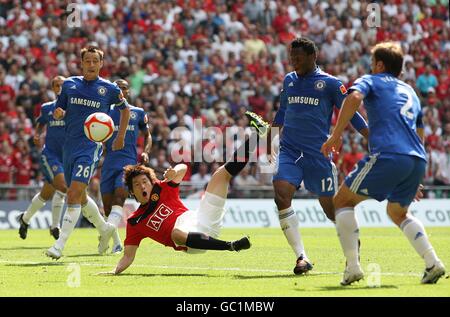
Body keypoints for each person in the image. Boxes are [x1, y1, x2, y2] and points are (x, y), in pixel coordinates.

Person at [321, 42, 446, 285]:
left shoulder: (372, 80)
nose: (370, 66)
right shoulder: (411, 92)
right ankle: (433, 262)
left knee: (342, 201)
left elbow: (353, 97)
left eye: (372, 63)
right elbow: (419, 130)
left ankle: (353, 267)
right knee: (397, 212)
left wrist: (336, 134)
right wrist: (415, 176)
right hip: (416, 159)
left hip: (388, 154)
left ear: (379, 64)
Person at [105, 111, 268, 275]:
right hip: (189, 241)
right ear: (132, 191)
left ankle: (257, 134)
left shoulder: (162, 188)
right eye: (137, 184)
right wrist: (114, 271)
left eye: (145, 182)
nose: (142, 186)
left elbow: (182, 168)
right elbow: (128, 256)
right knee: (176, 233)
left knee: (221, 174)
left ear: (151, 182)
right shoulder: (134, 222)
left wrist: (173, 172)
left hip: (201, 218)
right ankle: (231, 246)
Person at [271, 37, 369, 275]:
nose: (293, 62)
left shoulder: (330, 84)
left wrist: (371, 137)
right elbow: (283, 112)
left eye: (298, 57)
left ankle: (352, 245)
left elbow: (352, 114)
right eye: (291, 57)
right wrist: (267, 138)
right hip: (290, 150)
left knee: (330, 210)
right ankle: (301, 258)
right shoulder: (289, 80)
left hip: (318, 153)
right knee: (281, 195)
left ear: (312, 57)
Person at [46, 46, 131, 259]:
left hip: (90, 147)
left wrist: (119, 136)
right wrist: (58, 112)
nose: (91, 65)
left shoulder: (109, 89)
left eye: (95, 61)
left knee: (72, 194)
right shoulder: (69, 85)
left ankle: (59, 246)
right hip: (69, 146)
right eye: (88, 61)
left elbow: (125, 109)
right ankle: (104, 229)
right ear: (81, 62)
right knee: (80, 196)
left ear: (101, 64)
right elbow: (60, 110)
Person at [101, 79, 152, 254]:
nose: (121, 90)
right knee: (107, 208)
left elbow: (148, 135)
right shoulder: (105, 113)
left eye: (124, 88)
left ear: (128, 92)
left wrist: (145, 151)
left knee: (120, 198)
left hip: (127, 164)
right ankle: (114, 242)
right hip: (108, 164)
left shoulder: (137, 113)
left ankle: (105, 238)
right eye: (118, 88)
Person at [17, 76, 67, 240]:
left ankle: (24, 219)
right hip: (51, 155)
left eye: (62, 85)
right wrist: (37, 134)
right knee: (63, 186)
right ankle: (55, 226)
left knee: (46, 194)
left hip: (67, 156)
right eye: (57, 85)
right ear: (53, 89)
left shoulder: (72, 109)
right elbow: (40, 124)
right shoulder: (47, 108)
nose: (60, 87)